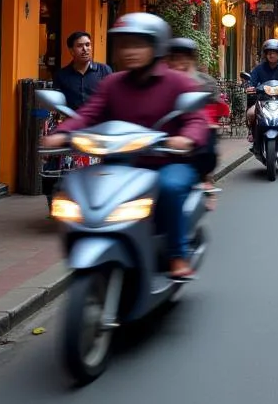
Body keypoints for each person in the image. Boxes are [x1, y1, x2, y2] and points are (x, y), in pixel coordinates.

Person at [43, 14, 209, 280]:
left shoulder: (178, 82)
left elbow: (196, 120)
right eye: (124, 45)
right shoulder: (112, 83)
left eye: (138, 44)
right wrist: (62, 133)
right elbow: (88, 114)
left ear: (156, 46)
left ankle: (177, 255)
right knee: (79, 186)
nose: (129, 52)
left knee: (168, 187)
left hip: (168, 162)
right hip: (122, 162)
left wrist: (186, 138)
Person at [166, 37, 223, 208]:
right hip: (169, 130)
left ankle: (205, 178)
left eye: (184, 58)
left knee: (208, 133)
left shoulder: (205, 82)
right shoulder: (163, 81)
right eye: (174, 58)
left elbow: (212, 111)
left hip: (196, 129)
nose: (179, 63)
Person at [54, 30, 112, 111]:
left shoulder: (104, 70)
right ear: (71, 51)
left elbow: (113, 98)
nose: (85, 49)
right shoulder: (61, 75)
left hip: (99, 121)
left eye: (88, 45)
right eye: (80, 46)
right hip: (73, 121)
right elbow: (58, 105)